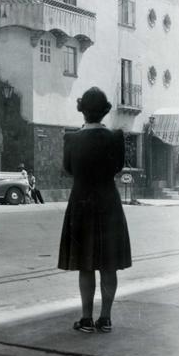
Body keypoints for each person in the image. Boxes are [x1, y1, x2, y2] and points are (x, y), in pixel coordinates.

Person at [58, 87, 132, 333]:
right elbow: (118, 167)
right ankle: (106, 318)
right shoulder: (115, 137)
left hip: (81, 203)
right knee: (108, 264)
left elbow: (68, 169)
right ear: (104, 112)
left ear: (83, 112)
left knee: (85, 264)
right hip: (108, 204)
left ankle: (86, 319)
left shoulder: (71, 139)